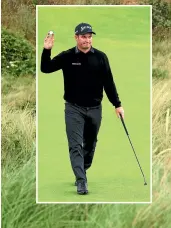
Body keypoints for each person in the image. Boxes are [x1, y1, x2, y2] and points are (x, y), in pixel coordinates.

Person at [40, 23, 124, 195]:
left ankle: (82, 168)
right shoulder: (67, 56)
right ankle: (81, 181)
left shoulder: (101, 57)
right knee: (75, 145)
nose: (87, 40)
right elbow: (45, 68)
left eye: (89, 36)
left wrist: (117, 104)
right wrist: (47, 50)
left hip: (95, 108)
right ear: (76, 37)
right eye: (84, 37)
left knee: (90, 144)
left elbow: (109, 83)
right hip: (73, 108)